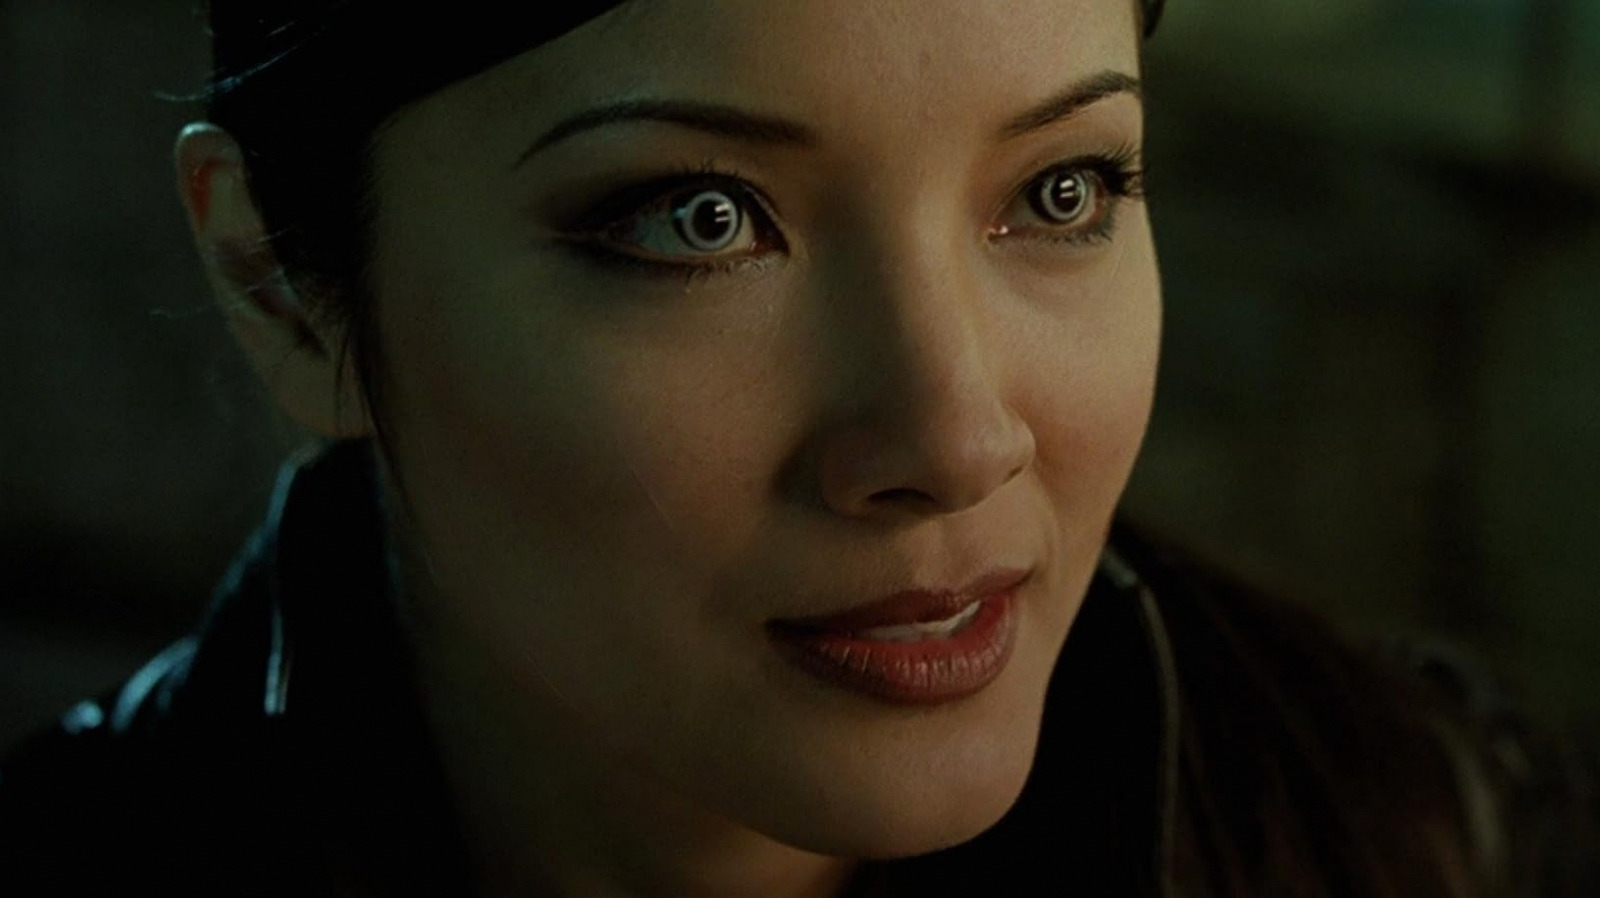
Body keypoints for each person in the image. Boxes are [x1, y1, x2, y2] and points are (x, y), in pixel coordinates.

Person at [1, 1, 1594, 895]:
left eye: (1062, 192)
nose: (955, 438)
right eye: (698, 219)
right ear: (277, 282)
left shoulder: (1411, 830)